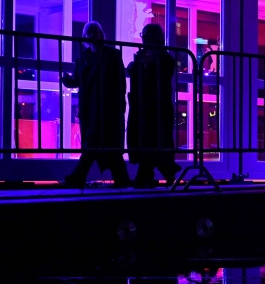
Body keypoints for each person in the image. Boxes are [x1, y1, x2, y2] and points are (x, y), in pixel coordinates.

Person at [61, 22, 131, 188]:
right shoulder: (88, 57)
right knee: (107, 146)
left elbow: (119, 82)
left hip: (104, 106)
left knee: (94, 143)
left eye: (95, 32)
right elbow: (78, 80)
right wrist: (68, 80)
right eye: (90, 33)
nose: (92, 36)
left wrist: (119, 105)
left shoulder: (104, 56)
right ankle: (121, 180)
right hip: (93, 107)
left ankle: (77, 177)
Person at [126, 23, 179, 188]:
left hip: (158, 107)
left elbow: (163, 75)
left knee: (155, 141)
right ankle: (157, 174)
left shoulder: (165, 58)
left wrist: (148, 64)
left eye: (149, 36)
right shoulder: (142, 56)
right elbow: (133, 71)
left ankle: (147, 175)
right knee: (148, 141)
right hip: (143, 106)